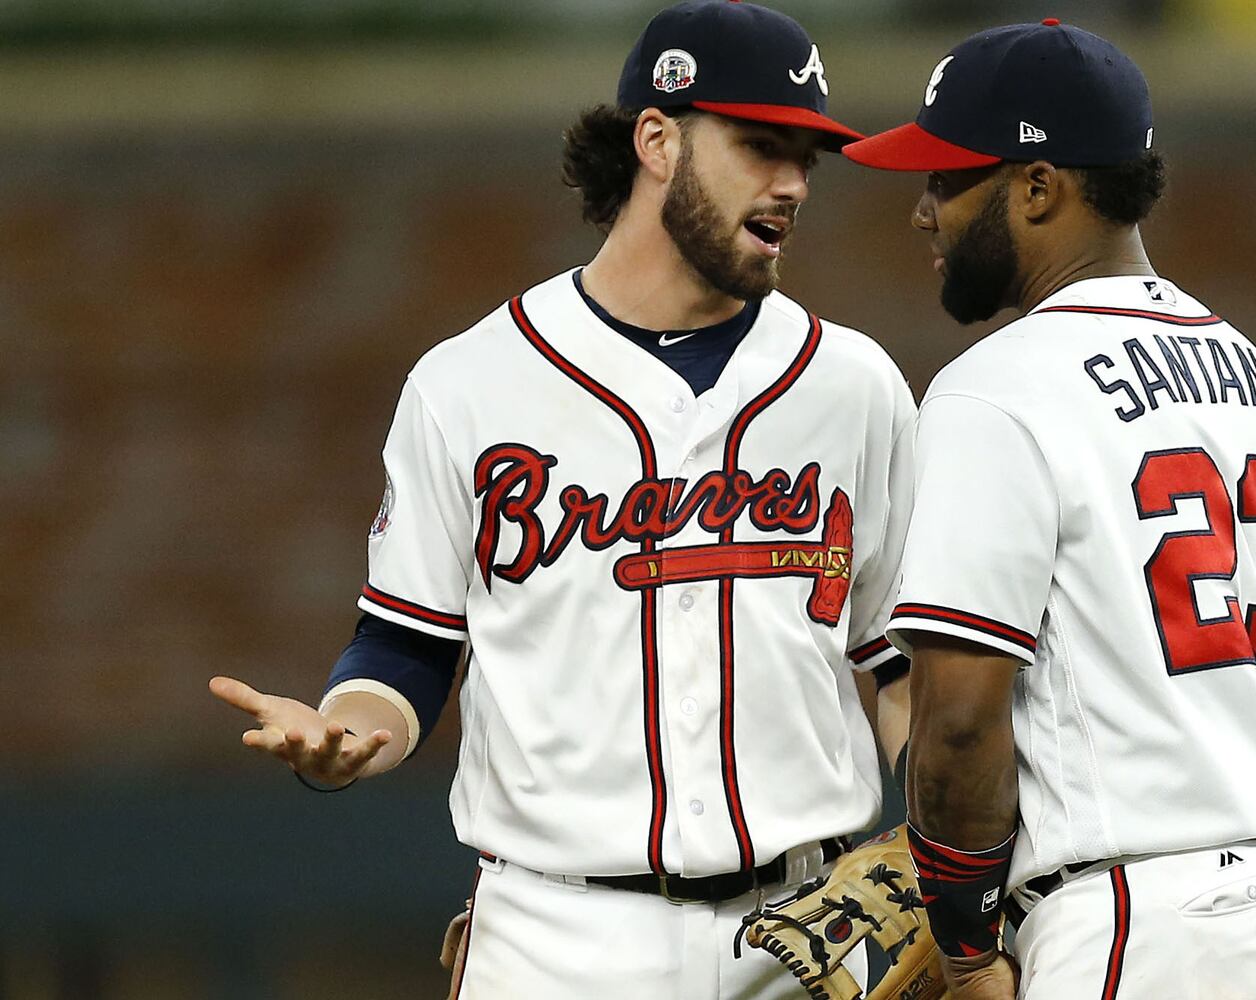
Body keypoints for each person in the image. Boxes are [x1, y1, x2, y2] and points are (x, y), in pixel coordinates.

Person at [210, 3, 916, 997]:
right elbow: (406, 645)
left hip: (806, 933)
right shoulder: (471, 382)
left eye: (806, 156)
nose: (793, 182)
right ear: (656, 141)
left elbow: (901, 661)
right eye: (761, 146)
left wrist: (962, 862)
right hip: (556, 938)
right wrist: (347, 735)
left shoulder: (855, 385)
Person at [842, 19, 1256, 1000]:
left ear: (1039, 187)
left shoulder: (996, 390)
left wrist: (966, 948)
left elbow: (959, 721)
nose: (923, 210)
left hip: (1138, 923)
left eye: (947, 178)